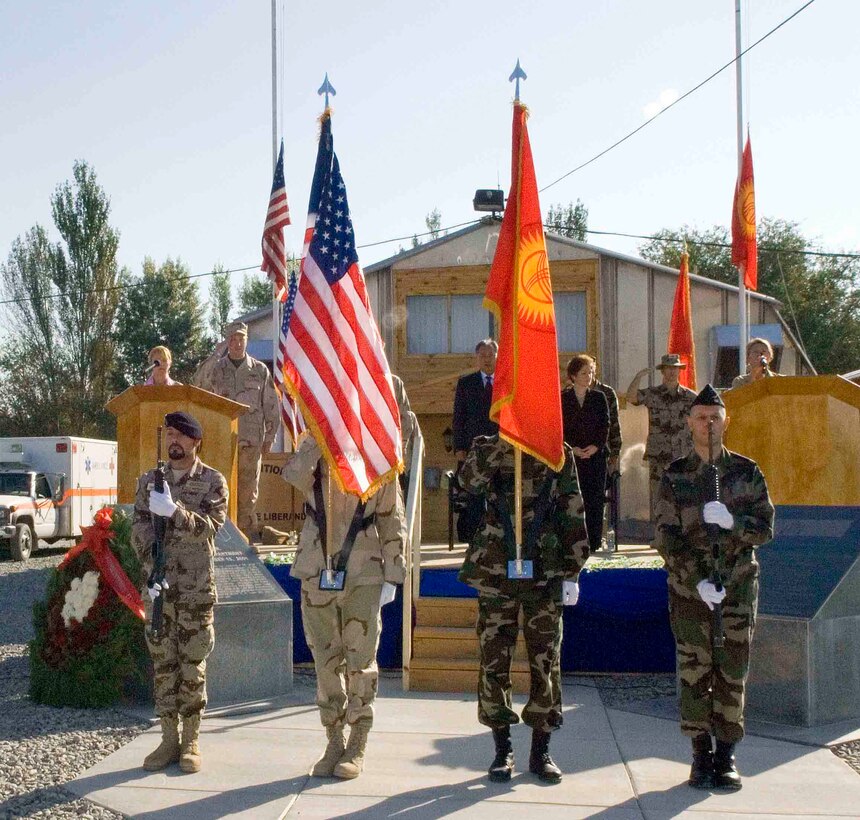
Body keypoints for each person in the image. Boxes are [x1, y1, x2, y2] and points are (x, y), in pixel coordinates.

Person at [654, 385, 774, 791]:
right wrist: (697, 580)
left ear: (727, 421)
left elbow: (766, 530)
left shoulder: (746, 472)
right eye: (701, 416)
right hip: (692, 593)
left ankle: (727, 756)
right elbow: (666, 538)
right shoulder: (675, 476)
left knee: (733, 670)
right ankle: (699, 756)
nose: (709, 423)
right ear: (689, 422)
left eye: (715, 416)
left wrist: (732, 524)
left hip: (738, 588)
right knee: (694, 671)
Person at [458, 435, 590, 783]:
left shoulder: (556, 451)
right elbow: (468, 483)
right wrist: (503, 446)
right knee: (493, 660)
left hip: (545, 571)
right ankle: (502, 749)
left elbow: (572, 508)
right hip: (495, 571)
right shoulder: (487, 447)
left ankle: (541, 749)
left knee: (545, 661)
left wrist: (573, 571)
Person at [282, 435, 407, 780]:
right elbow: (292, 475)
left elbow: (392, 518)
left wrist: (394, 575)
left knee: (360, 660)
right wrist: (319, 437)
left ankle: (358, 741)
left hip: (363, 570)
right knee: (324, 660)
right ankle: (334, 739)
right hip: (315, 566)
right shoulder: (317, 447)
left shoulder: (377, 457)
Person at [131, 411, 229, 774]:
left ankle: (191, 740)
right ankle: (168, 738)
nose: (174, 440)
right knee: (163, 666)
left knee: (192, 665)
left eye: (181, 435)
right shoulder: (148, 481)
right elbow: (137, 527)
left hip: (194, 591)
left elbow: (210, 528)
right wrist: (150, 561)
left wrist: (174, 512)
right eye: (169, 433)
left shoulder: (212, 481)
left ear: (195, 442)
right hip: (159, 590)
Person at [193, 321, 279, 540]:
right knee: (220, 491)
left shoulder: (259, 370)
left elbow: (271, 405)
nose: (237, 343)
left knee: (248, 493)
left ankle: (246, 538)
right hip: (223, 441)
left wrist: (270, 436)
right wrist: (214, 356)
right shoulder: (217, 369)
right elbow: (198, 384)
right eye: (232, 339)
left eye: (241, 339)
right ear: (226, 341)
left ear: (246, 340)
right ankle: (223, 538)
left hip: (251, 442)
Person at [626, 354, 697, 519]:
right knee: (659, 497)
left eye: (675, 368)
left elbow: (701, 417)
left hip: (682, 454)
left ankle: (681, 534)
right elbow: (631, 397)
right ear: (662, 371)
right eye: (668, 368)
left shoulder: (690, 397)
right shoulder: (653, 394)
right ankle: (660, 533)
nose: (672, 372)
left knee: (683, 496)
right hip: (659, 454)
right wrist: (638, 377)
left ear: (679, 371)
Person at [452, 339, 500, 541]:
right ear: (476, 358)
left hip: (500, 447)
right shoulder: (466, 383)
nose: (486, 359)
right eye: (482, 355)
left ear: (497, 356)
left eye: (490, 355)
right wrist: (459, 447)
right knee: (474, 495)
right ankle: (474, 540)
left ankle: (498, 537)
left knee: (499, 494)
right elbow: (458, 418)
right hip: (473, 450)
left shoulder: (505, 381)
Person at [561, 354, 609, 554]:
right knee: (570, 501)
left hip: (595, 457)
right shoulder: (562, 399)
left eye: (591, 372)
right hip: (572, 458)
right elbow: (558, 428)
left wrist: (596, 446)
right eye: (584, 372)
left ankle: (595, 543)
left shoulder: (599, 398)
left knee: (594, 500)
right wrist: (572, 448)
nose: (588, 376)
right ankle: (571, 544)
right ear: (573, 375)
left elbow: (605, 425)